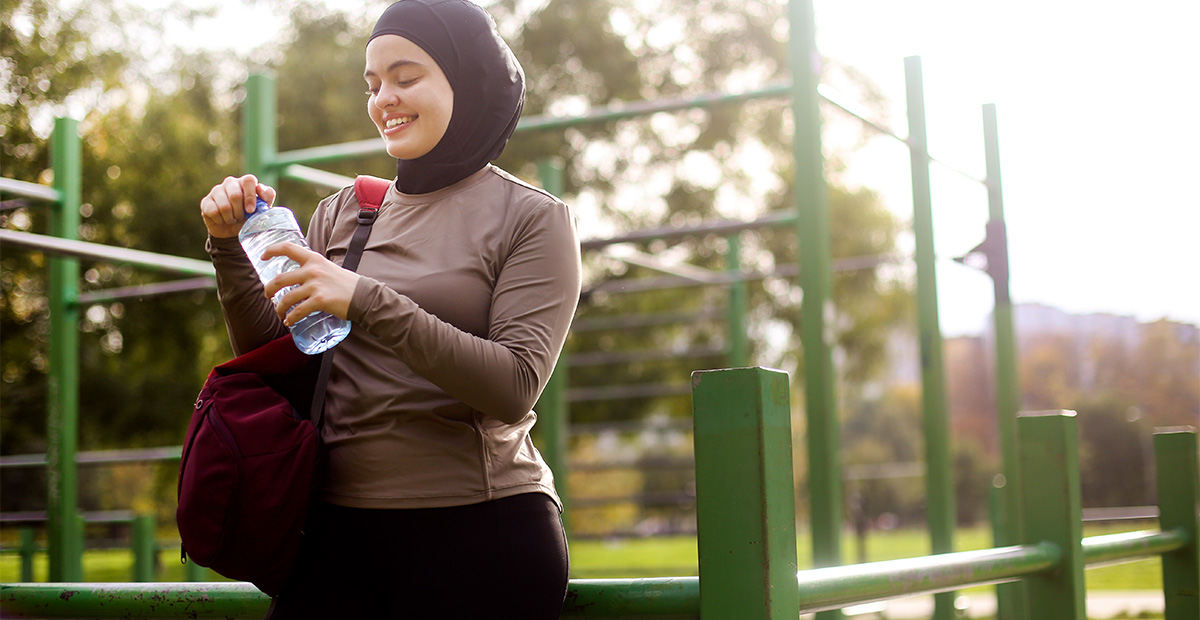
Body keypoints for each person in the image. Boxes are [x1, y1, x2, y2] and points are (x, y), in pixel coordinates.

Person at [197, 1, 581, 617]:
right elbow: (288, 358)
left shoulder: (533, 217)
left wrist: (365, 299)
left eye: (406, 78)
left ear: (467, 79)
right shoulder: (342, 212)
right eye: (373, 85)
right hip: (334, 536)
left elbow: (514, 386)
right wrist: (228, 246)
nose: (384, 100)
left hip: (482, 536)